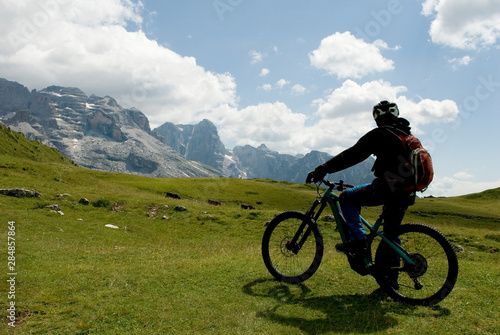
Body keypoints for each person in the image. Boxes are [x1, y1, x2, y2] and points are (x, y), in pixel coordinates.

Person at [306, 100, 415, 277]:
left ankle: (359, 242)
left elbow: (352, 155)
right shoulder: (406, 135)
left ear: (376, 117)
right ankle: (391, 282)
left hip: (386, 188)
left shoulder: (380, 134)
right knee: (391, 233)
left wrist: (323, 168)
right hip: (407, 192)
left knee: (346, 197)